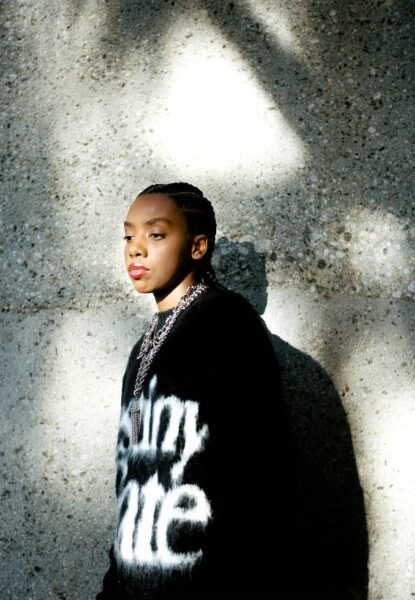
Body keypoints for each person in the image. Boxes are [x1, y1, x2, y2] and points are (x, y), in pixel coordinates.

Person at [96, 182, 296, 600]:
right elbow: (132, 479)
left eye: (155, 233)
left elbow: (263, 475)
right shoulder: (144, 346)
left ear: (198, 245)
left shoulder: (227, 326)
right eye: (128, 235)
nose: (136, 249)